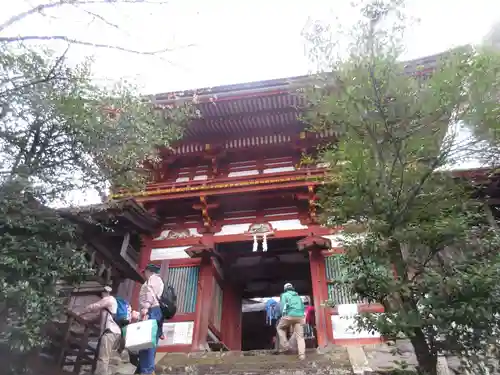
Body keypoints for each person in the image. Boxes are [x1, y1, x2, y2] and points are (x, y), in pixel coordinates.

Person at [80, 286, 122, 375]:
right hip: (113, 332)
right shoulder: (108, 306)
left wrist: (80, 313)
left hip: (110, 332)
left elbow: (94, 307)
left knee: (103, 358)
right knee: (104, 357)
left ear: (104, 292)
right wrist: (87, 320)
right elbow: (98, 318)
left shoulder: (109, 299)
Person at [137, 263, 165, 375]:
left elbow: (150, 292)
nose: (144, 275)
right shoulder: (159, 280)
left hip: (151, 309)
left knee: (146, 341)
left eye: (145, 272)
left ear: (149, 271)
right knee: (151, 341)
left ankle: (146, 370)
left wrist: (146, 307)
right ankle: (148, 369)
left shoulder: (153, 279)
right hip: (157, 312)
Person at [276, 283, 306, 360]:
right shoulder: (298, 296)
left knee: (280, 328)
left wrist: (282, 315)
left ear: (285, 289)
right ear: (292, 288)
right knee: (300, 337)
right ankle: (302, 355)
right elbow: (303, 307)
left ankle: (286, 345)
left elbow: (282, 306)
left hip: (289, 315)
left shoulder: (284, 295)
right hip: (300, 316)